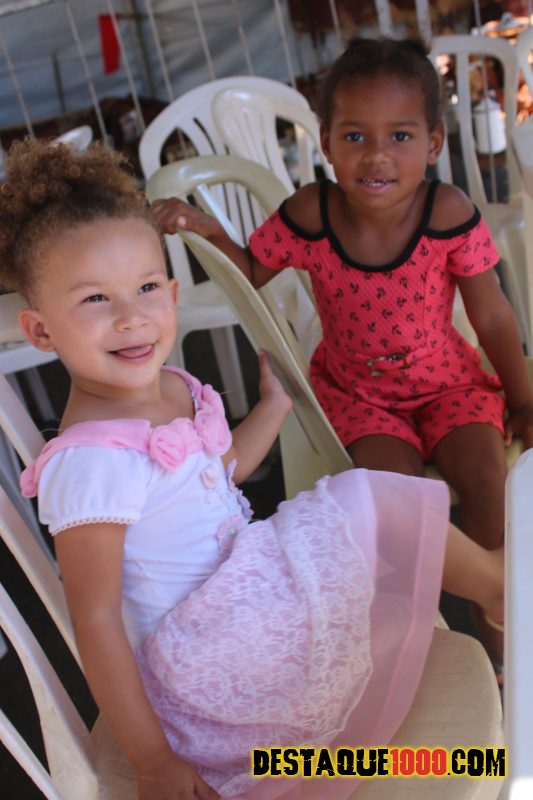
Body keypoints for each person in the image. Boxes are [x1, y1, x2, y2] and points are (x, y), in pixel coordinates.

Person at [0, 138, 503, 800]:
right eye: (95, 299)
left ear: (172, 293)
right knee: (367, 501)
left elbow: (219, 474)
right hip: (212, 660)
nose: (131, 316)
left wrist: (272, 409)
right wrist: (151, 760)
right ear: (41, 331)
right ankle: (500, 591)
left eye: (146, 287)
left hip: (249, 589)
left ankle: (497, 589)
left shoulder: (170, 388)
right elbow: (95, 620)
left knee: (371, 501)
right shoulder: (89, 463)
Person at [152, 37, 533, 559]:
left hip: (450, 386)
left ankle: (494, 605)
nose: (376, 155)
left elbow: (491, 314)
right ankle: (422, 606)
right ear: (327, 144)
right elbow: (251, 271)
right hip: (362, 397)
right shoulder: (312, 212)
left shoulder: (446, 212)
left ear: (433, 144)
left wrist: (524, 401)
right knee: (396, 504)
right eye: (355, 136)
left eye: (400, 135)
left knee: (491, 484)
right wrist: (210, 229)